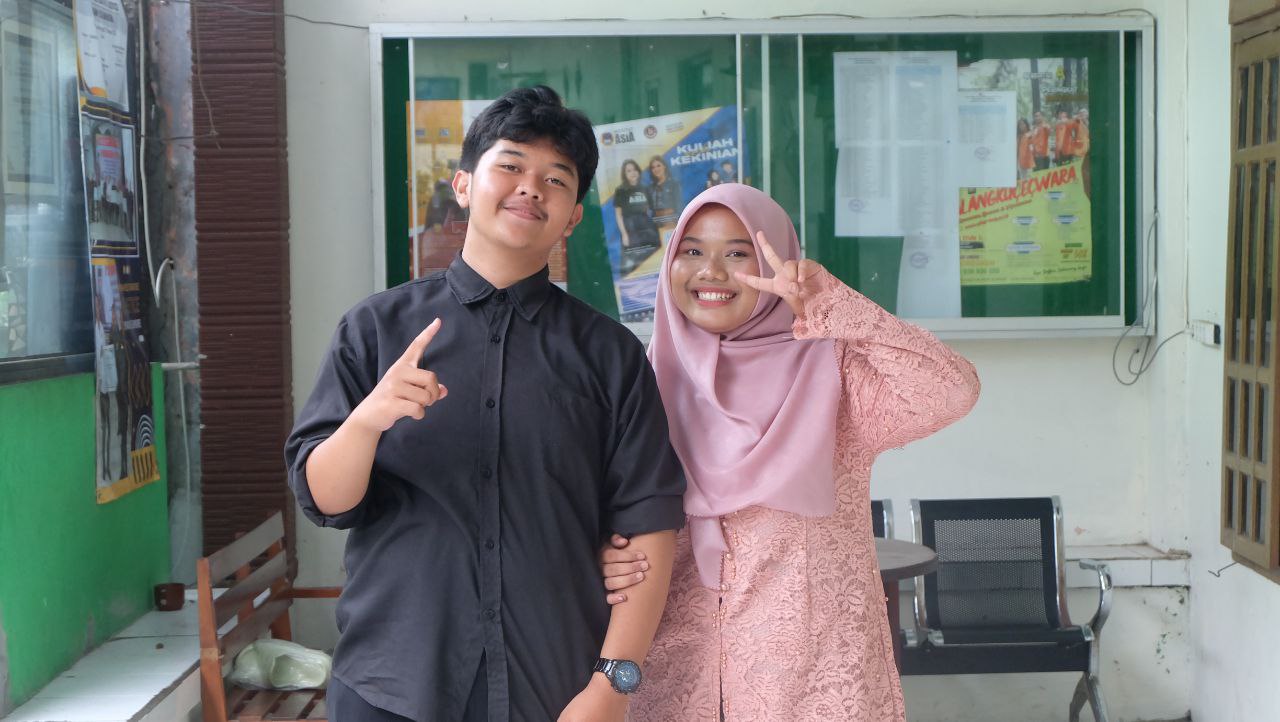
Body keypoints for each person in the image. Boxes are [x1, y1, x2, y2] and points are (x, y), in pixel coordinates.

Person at [286, 86, 686, 722]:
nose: (531, 188)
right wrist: (367, 420)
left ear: (572, 218)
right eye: (511, 165)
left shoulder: (609, 355)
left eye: (556, 179)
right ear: (464, 185)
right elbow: (325, 501)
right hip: (391, 685)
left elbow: (648, 526)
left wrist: (614, 684)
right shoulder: (377, 330)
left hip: (553, 692)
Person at [601, 184, 980, 720]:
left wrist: (829, 304)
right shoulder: (639, 382)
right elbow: (596, 507)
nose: (711, 272)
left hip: (812, 684)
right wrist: (604, 551)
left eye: (738, 253)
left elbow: (949, 391)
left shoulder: (835, 377)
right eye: (692, 250)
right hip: (676, 681)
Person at [613, 159, 660, 251]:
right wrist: (624, 234)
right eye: (629, 171)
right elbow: (618, 215)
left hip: (647, 228)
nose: (633, 173)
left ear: (638, 171)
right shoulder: (620, 190)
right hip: (630, 230)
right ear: (624, 174)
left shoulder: (645, 188)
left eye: (635, 169)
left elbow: (650, 209)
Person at [647, 155, 682, 226]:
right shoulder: (650, 188)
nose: (656, 169)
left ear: (664, 166)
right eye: (653, 167)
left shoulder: (673, 184)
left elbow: (679, 205)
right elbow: (650, 209)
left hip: (672, 221)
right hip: (656, 223)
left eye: (658, 166)